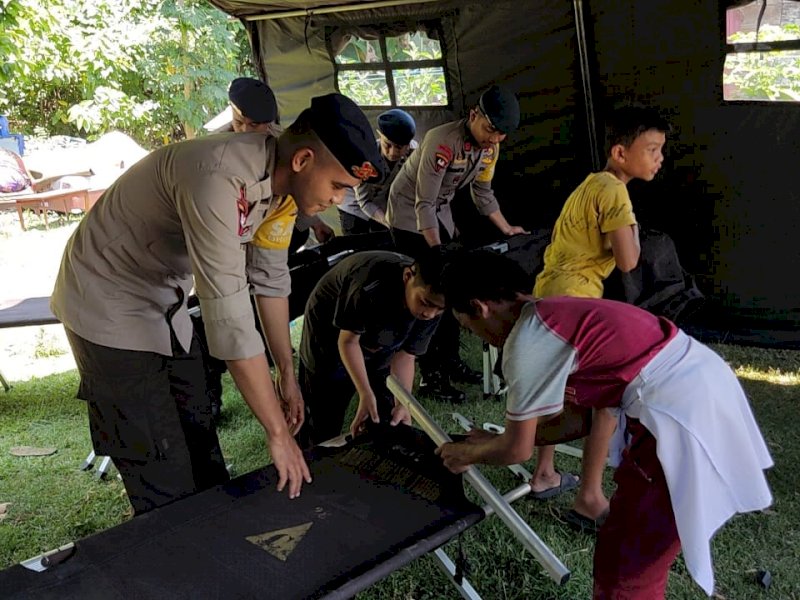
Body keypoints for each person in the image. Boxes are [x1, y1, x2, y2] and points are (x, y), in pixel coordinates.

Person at [51, 93, 385, 514]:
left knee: (198, 427)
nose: (339, 200)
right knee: (156, 455)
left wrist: (286, 371)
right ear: (302, 161)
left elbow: (269, 278)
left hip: (164, 299)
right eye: (338, 186)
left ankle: (215, 540)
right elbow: (229, 316)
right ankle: (176, 560)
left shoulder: (284, 187)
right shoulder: (218, 178)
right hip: (106, 300)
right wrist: (278, 434)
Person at [436, 249, 773, 599]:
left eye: (468, 327)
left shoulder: (527, 342)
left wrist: (466, 453)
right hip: (698, 385)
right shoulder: (552, 313)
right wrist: (492, 442)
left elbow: (516, 450)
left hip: (679, 414)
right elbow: (578, 420)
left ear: (479, 308)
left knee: (627, 566)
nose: (478, 336)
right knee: (631, 542)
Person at [529, 105, 670, 523]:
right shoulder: (614, 191)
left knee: (555, 390)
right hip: (575, 303)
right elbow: (628, 261)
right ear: (620, 153)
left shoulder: (590, 185)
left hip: (550, 297)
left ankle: (544, 473)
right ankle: (590, 497)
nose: (659, 157)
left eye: (662, 149)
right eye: (651, 148)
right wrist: (635, 235)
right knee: (608, 398)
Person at [386, 85, 528, 402]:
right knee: (430, 293)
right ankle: (431, 376)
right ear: (474, 115)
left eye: (501, 135)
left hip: (440, 212)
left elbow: (483, 193)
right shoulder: (442, 142)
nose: (494, 139)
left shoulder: (490, 148)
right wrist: (438, 255)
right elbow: (424, 202)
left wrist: (507, 228)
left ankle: (451, 363)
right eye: (490, 129)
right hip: (411, 216)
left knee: (451, 295)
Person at [297, 248, 446, 447]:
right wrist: (364, 392)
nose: (430, 314)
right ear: (407, 277)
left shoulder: (434, 301)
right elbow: (348, 342)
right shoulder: (369, 284)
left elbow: (406, 356)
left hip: (380, 341)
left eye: (438, 309)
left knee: (385, 414)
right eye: (425, 303)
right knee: (324, 414)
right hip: (330, 335)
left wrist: (403, 403)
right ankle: (311, 463)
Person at [337, 108, 417, 235]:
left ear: (408, 145)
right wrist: (388, 223)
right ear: (379, 135)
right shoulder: (365, 159)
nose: (392, 152)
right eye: (388, 145)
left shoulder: (414, 154)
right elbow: (364, 201)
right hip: (353, 202)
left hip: (379, 199)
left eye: (399, 147)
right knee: (357, 241)